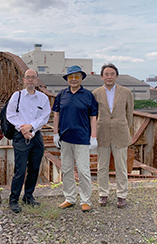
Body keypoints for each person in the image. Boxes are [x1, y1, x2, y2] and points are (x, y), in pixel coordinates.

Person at [52, 65, 98, 212]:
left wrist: (93, 137)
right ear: (67, 79)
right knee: (66, 170)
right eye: (71, 77)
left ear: (81, 78)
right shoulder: (62, 94)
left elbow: (93, 117)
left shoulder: (88, 95)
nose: (73, 79)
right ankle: (70, 198)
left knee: (84, 171)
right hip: (65, 138)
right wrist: (55, 133)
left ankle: (85, 200)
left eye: (76, 76)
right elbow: (56, 114)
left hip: (82, 138)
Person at [6, 69, 51, 213]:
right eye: (28, 77)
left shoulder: (43, 98)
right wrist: (23, 129)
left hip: (36, 135)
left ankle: (28, 196)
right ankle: (13, 200)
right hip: (20, 136)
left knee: (34, 168)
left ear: (37, 80)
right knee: (20, 169)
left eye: (33, 77)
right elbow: (10, 114)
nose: (30, 80)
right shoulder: (17, 96)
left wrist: (31, 127)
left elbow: (45, 116)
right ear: (23, 80)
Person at [92, 64, 134, 208]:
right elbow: (93, 115)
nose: (109, 77)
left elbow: (130, 114)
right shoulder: (95, 93)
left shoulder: (126, 92)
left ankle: (122, 195)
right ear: (102, 76)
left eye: (111, 74)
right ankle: (103, 194)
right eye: (106, 74)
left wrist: (124, 128)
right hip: (102, 133)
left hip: (120, 133)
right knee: (102, 167)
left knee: (121, 166)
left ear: (116, 76)